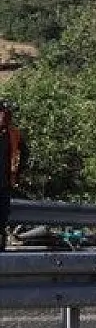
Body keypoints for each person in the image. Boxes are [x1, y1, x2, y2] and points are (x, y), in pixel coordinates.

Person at [0, 101, 27, 252]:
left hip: (4, 184)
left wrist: (18, 173)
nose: (4, 115)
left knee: (2, 218)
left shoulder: (13, 133)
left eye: (6, 112)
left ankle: (1, 250)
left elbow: (24, 152)